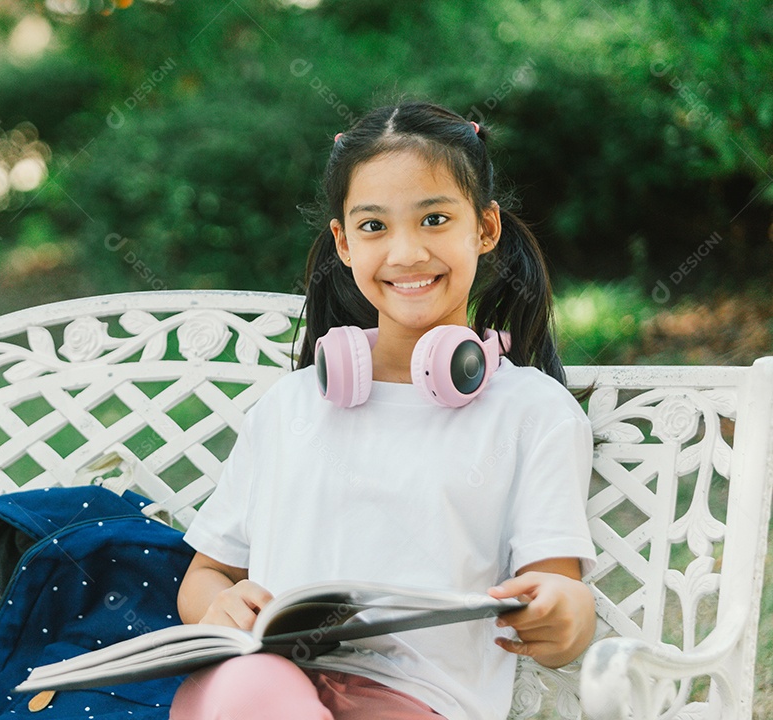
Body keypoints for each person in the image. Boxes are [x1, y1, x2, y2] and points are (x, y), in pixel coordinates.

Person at [169, 100, 598, 720]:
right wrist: (218, 605)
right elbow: (206, 575)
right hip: (258, 684)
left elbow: (558, 590)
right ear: (343, 243)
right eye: (374, 226)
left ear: (485, 229)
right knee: (255, 692)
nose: (405, 252)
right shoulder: (290, 406)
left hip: (419, 702)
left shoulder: (532, 411)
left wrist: (563, 617)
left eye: (434, 219)